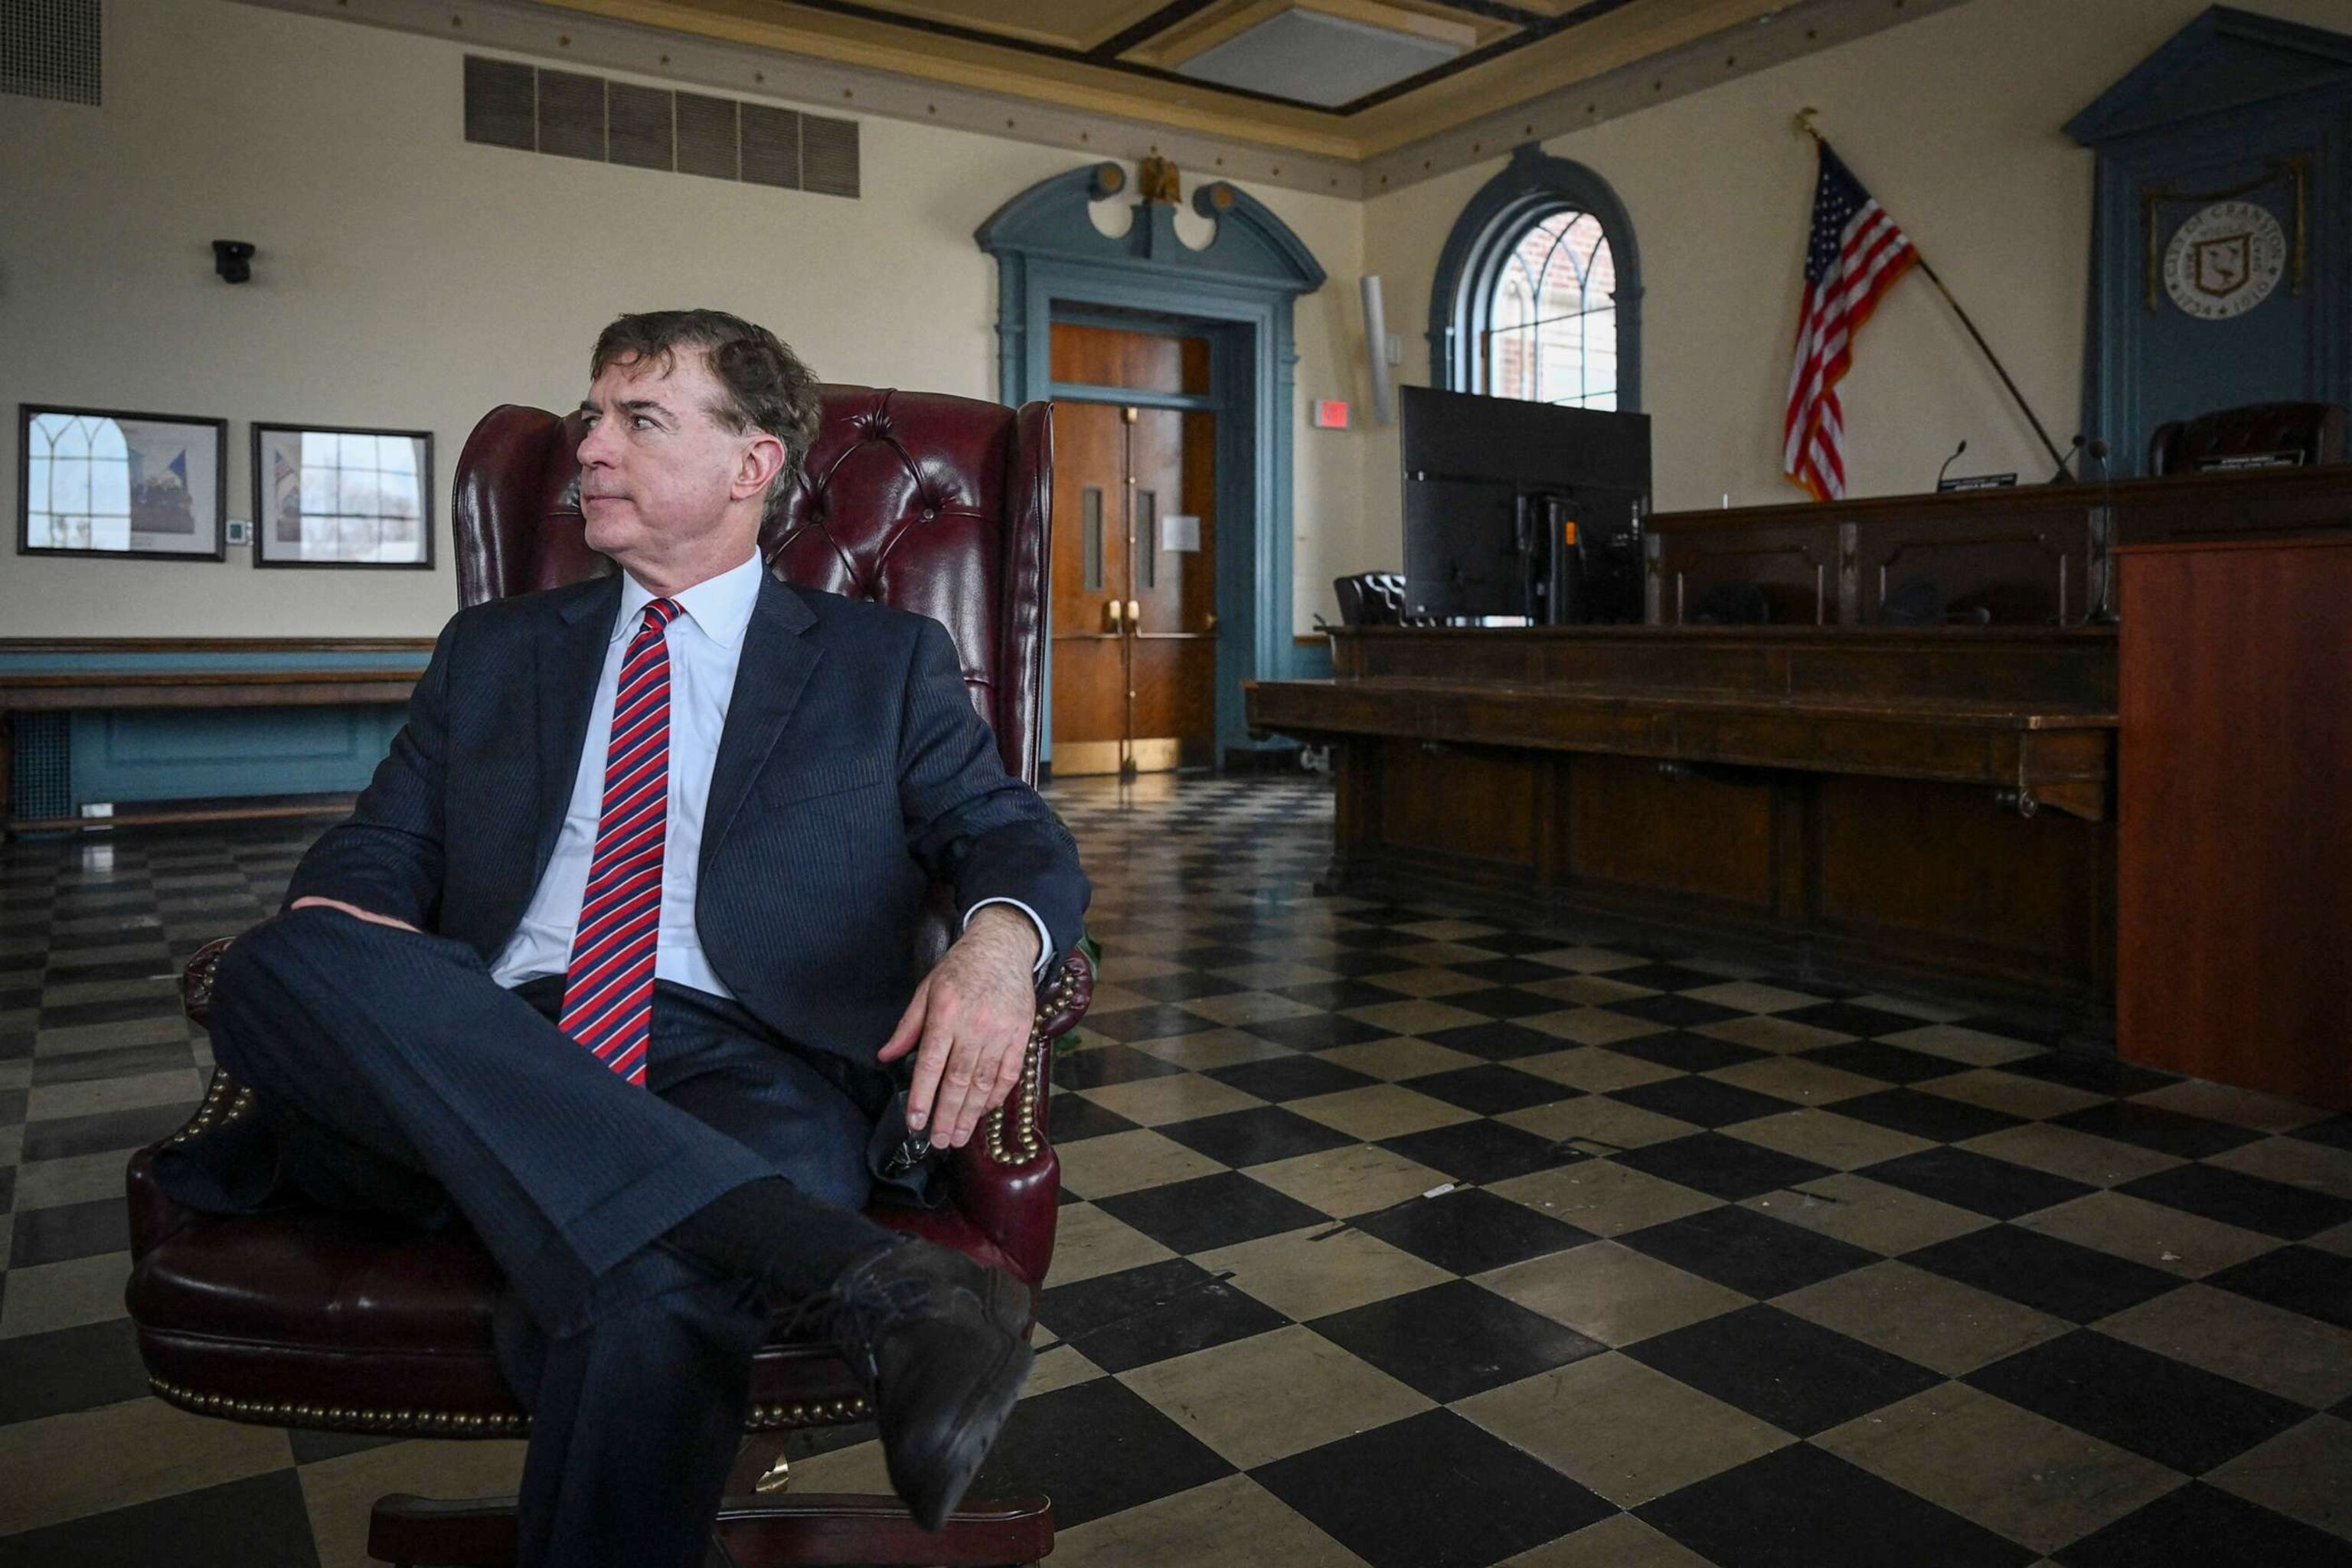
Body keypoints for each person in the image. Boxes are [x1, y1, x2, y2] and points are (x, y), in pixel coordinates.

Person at [154, 309, 1089, 1568]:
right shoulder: (493, 654)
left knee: (652, 1285)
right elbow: (384, 848)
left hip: (746, 1062)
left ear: (753, 466)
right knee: (284, 960)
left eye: (638, 419)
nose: (590, 446)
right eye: (591, 415)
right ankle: (851, 1271)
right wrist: (358, 941)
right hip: (486, 1033)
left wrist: (992, 950)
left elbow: (1008, 835)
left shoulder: (881, 664)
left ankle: (774, 1253)